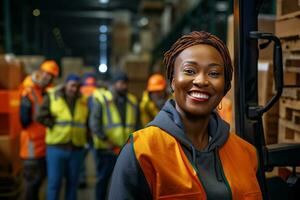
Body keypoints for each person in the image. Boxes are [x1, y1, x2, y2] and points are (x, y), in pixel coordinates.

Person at [108, 31, 262, 199]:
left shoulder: (246, 154)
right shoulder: (140, 151)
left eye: (214, 73)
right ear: (173, 81)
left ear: (225, 87)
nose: (201, 81)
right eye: (190, 71)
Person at [36, 74, 89, 200]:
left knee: (72, 185)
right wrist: (51, 123)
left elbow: (86, 122)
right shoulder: (52, 96)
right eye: (72, 86)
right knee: (54, 184)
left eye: (77, 86)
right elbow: (39, 116)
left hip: (76, 149)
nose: (74, 89)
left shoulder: (83, 100)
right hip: (56, 148)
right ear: (66, 85)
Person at [89, 71, 140, 200]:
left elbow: (138, 125)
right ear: (114, 84)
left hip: (126, 149)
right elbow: (94, 124)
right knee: (103, 180)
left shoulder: (132, 101)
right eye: (121, 83)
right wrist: (107, 141)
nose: (124, 86)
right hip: (106, 149)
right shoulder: (101, 100)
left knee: (123, 183)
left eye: (126, 84)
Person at [19, 60, 59, 200]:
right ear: (41, 73)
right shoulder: (29, 91)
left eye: (51, 76)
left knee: (37, 183)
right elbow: (24, 120)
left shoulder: (44, 91)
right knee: (31, 184)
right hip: (31, 147)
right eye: (47, 75)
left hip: (42, 145)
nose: (48, 79)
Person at [78, 73, 97, 188]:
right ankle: (99, 177)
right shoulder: (97, 92)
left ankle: (81, 179)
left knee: (81, 158)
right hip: (92, 131)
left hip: (84, 131)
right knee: (97, 157)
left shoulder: (80, 92)